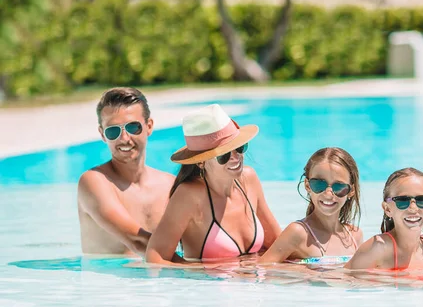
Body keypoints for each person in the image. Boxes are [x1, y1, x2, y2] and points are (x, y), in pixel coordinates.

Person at [145, 104, 281, 265]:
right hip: (210, 286)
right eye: (223, 155)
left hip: (254, 283)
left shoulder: (248, 179)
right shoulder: (190, 195)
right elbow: (155, 258)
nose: (235, 157)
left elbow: (276, 244)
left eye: (238, 148)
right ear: (201, 162)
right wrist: (204, 273)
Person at [77, 87, 175, 255]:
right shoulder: (94, 182)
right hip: (111, 280)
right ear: (102, 134)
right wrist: (198, 271)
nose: (124, 139)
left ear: (149, 126)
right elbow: (137, 242)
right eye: (113, 131)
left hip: (163, 279)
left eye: (132, 127)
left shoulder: (170, 185)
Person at [259, 147, 363, 265]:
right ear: (307, 186)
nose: (328, 194)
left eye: (338, 187)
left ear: (351, 191)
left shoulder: (355, 236)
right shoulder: (298, 232)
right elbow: (262, 270)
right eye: (319, 184)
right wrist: (305, 271)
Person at [345, 167, 423, 270]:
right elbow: (344, 278)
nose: (413, 208)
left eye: (422, 200)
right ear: (387, 209)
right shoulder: (378, 248)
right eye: (402, 201)